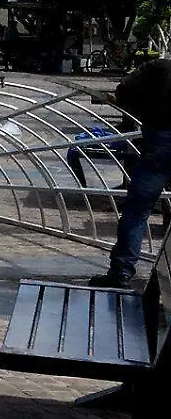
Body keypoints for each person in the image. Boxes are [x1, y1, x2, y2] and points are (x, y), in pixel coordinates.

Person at [90, 56, 171, 287]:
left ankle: (121, 272)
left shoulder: (159, 67)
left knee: (137, 211)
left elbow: (123, 89)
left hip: (159, 143)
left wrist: (138, 106)